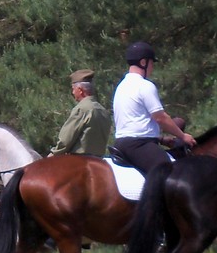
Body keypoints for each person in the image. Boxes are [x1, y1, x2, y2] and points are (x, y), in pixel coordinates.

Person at [111, 40, 196, 174]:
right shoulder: (144, 86)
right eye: (151, 63)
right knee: (171, 174)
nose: (152, 68)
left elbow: (134, 122)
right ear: (143, 62)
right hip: (139, 145)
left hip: (123, 143)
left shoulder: (121, 87)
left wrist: (161, 139)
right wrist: (183, 136)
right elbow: (161, 118)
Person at [49, 69, 110, 156]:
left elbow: (65, 140)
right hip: (99, 160)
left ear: (80, 90)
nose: (73, 92)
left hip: (79, 160)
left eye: (73, 89)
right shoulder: (103, 111)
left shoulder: (81, 109)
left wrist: (51, 156)